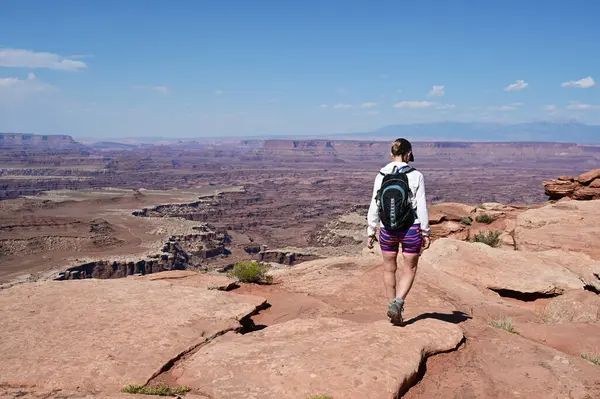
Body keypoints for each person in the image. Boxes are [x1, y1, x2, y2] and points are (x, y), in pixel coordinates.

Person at [366, 138, 430, 325]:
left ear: (391, 154)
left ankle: (391, 305)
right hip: (411, 228)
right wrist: (425, 231)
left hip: (387, 229)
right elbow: (422, 206)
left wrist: (371, 231)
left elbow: (375, 204)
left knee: (389, 269)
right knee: (409, 268)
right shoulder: (416, 175)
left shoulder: (380, 175)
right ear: (409, 154)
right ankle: (399, 302)